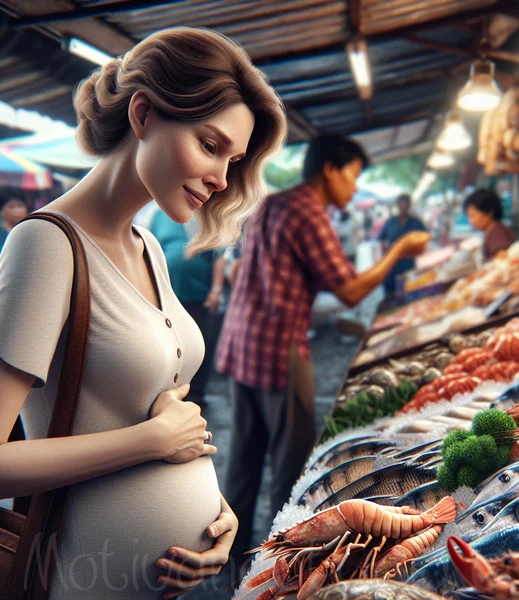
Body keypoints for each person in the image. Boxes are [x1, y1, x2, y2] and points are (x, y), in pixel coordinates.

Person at [0, 27, 286, 599]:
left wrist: (216, 511)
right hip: (79, 580)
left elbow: (158, 416)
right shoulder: (47, 246)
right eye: (211, 146)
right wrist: (150, 444)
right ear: (143, 114)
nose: (223, 179)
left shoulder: (148, 246)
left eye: (233, 160)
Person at [216, 134, 430, 577]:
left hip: (241, 348)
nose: (354, 187)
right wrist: (398, 251)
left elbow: (252, 274)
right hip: (278, 353)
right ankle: (282, 566)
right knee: (292, 472)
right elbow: (350, 291)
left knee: (241, 465)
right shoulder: (308, 213)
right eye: (353, 175)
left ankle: (229, 565)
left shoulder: (272, 205)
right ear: (329, 169)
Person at [150, 209, 226, 407]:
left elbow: (219, 255)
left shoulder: (205, 215)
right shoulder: (160, 216)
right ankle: (171, 395)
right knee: (170, 347)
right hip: (167, 296)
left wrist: (216, 290)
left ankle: (196, 395)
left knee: (199, 346)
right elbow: (150, 249)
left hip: (198, 296)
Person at [378, 193, 427, 296]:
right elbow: (382, 238)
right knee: (390, 292)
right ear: (398, 205)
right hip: (392, 262)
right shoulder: (390, 222)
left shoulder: (416, 222)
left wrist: (419, 253)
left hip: (410, 262)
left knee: (409, 290)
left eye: (406, 204)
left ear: (409, 205)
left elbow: (425, 238)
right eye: (402, 203)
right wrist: (384, 255)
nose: (404, 206)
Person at [463, 188, 516, 260]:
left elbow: (503, 258)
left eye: (473, 216)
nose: (471, 221)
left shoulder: (496, 233)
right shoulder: (494, 229)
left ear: (489, 213)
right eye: (469, 216)